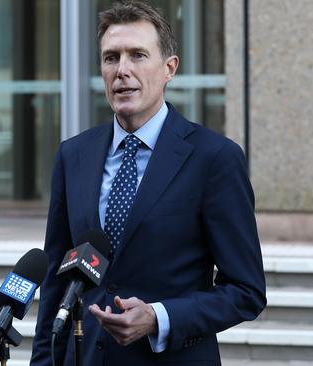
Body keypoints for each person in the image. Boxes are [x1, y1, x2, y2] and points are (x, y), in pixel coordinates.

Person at [31, 1, 266, 365]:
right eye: (111, 58)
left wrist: (160, 317)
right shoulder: (73, 155)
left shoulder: (214, 158)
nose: (122, 70)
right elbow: (55, 281)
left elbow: (246, 291)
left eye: (138, 55)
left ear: (169, 68)